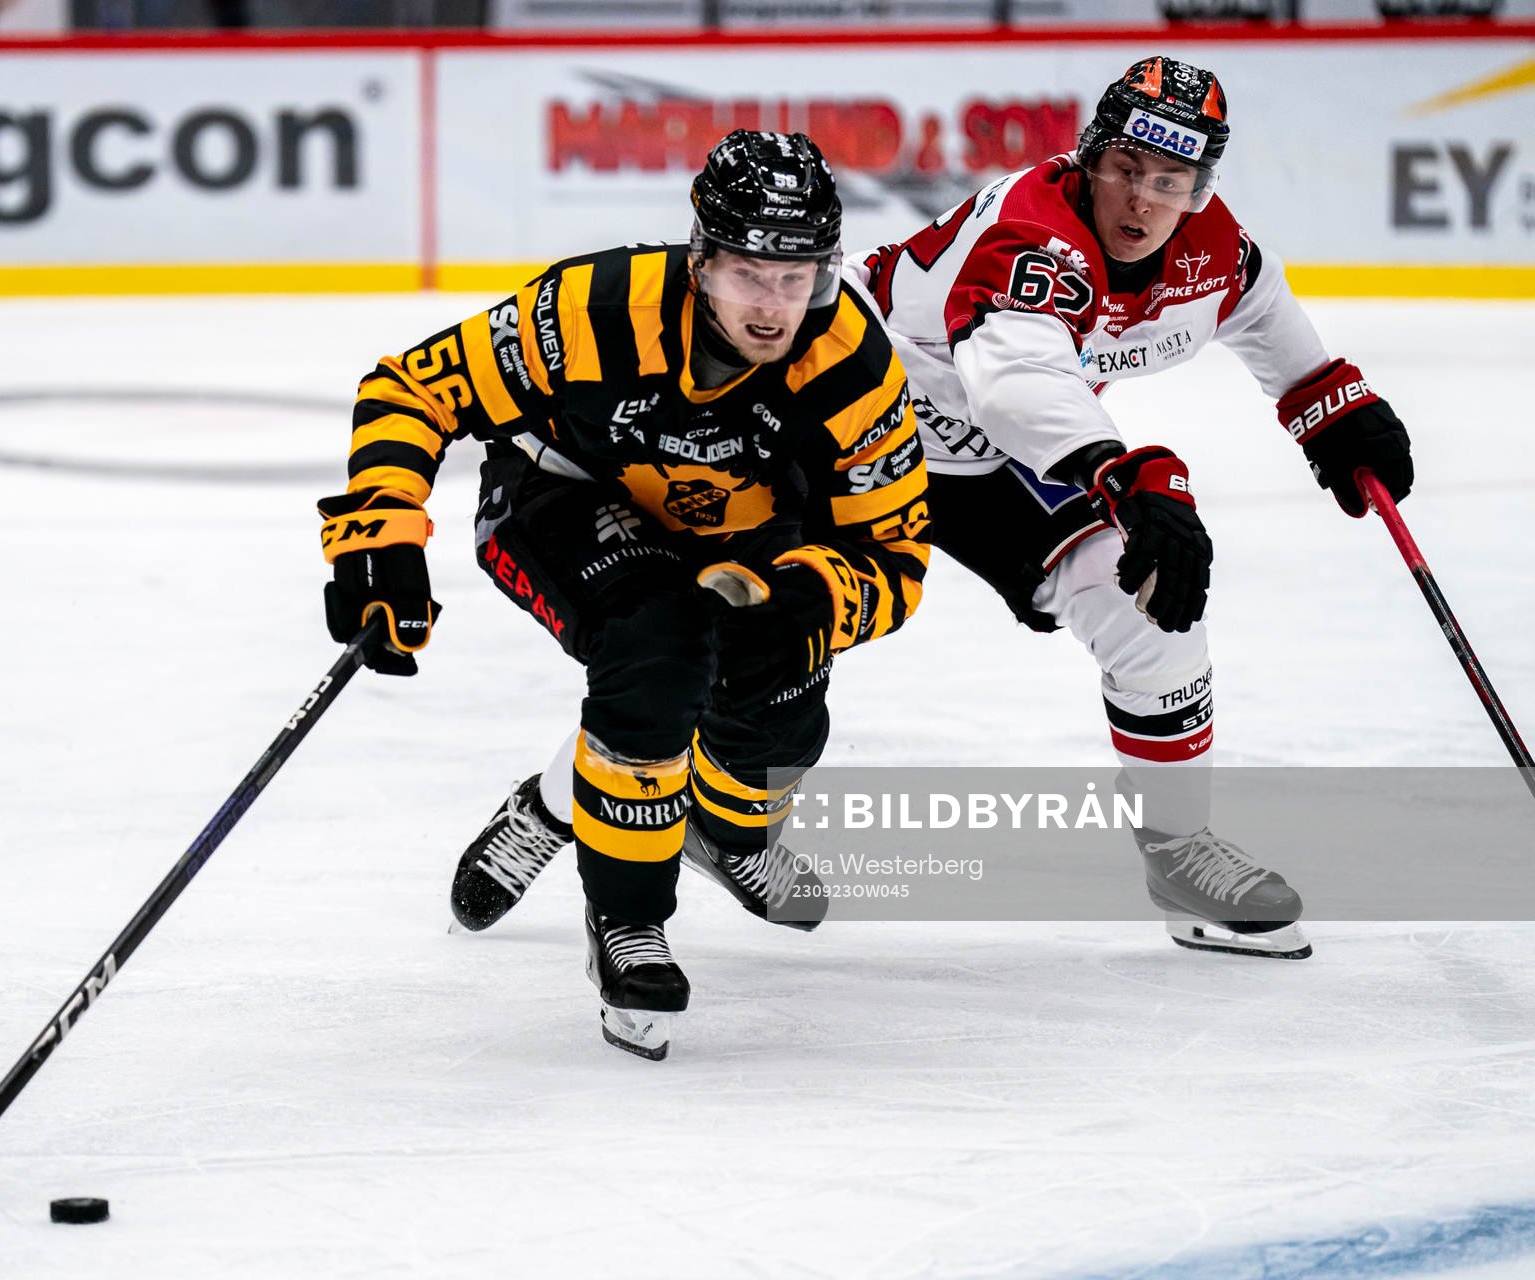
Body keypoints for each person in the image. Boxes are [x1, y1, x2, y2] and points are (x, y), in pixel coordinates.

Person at [450, 57, 1414, 964]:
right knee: (730, 639)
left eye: (1172, 182)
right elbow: (1014, 382)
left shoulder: (1214, 248)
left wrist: (1329, 403)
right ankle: (557, 804)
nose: (1142, 201)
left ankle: (1179, 851)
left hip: (1001, 461)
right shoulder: (1030, 236)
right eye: (1127, 169)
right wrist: (1128, 473)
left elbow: (1260, 311)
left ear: (1202, 190)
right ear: (1089, 158)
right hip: (847, 425)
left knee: (1149, 610)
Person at [320, 130, 929, 1060]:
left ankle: (651, 822)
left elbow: (894, 554)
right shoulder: (596, 308)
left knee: (779, 707)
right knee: (658, 652)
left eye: (795, 277)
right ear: (701, 259)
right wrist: (380, 531)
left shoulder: (851, 365)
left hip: (743, 534)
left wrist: (813, 601)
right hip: (565, 494)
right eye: (748, 275)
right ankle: (628, 921)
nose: (773, 307)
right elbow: (413, 388)